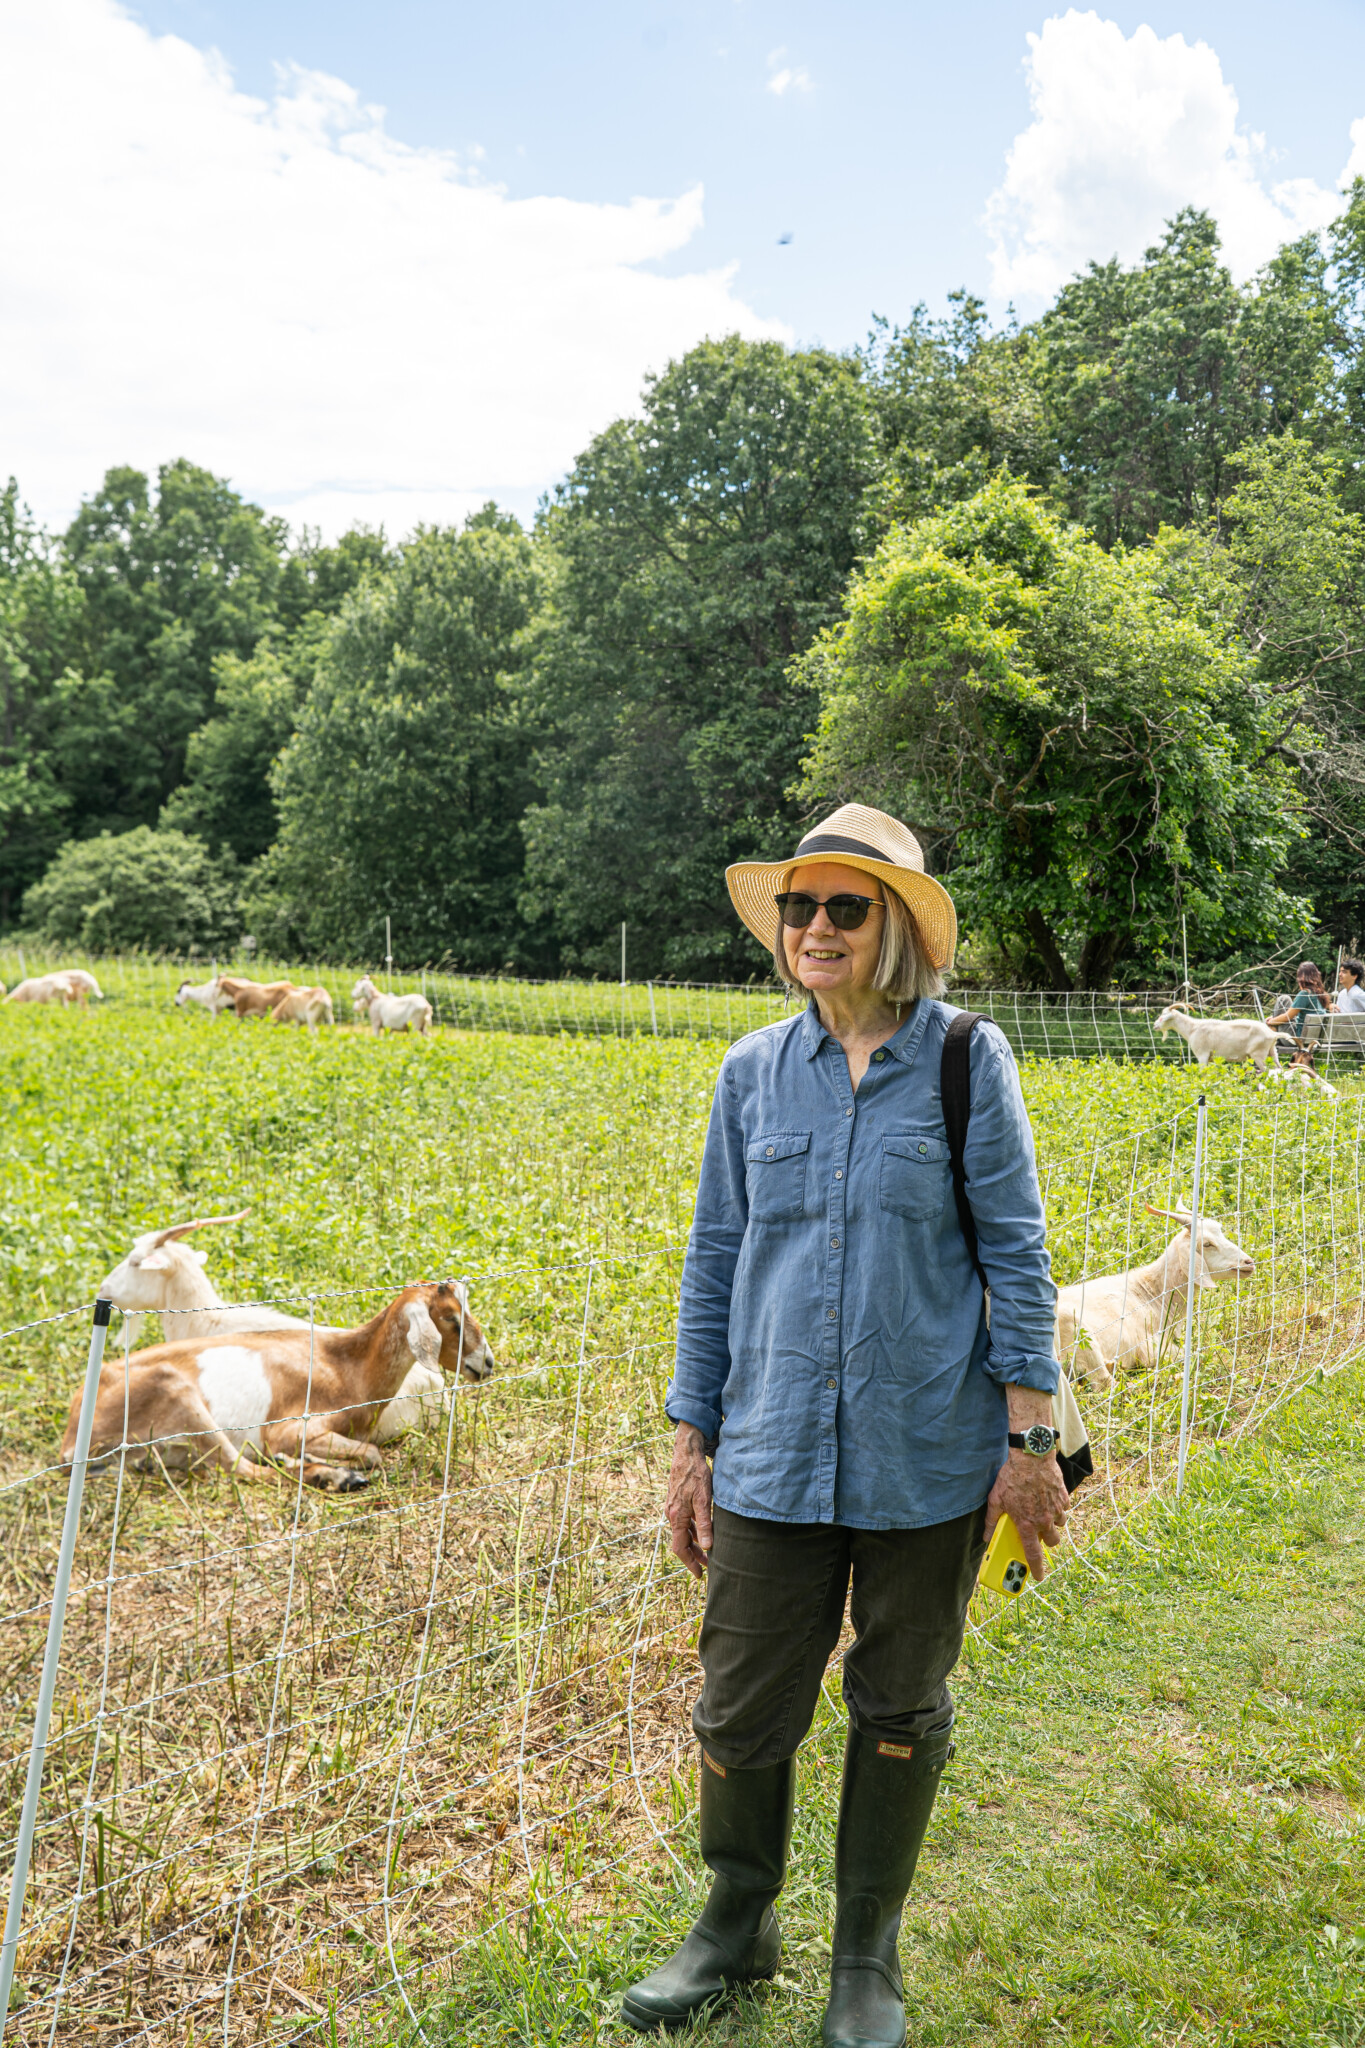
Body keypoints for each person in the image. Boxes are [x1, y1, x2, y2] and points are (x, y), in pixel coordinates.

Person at [622, 804, 1064, 2047]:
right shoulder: (753, 1070)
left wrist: (1031, 1445)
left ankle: (865, 1952)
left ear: (898, 929)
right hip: (766, 1445)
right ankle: (734, 1921)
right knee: (741, 1695)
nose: (813, 926)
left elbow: (1019, 1255)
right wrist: (691, 1435)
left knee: (902, 1696)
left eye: (844, 907)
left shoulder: (971, 1061)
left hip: (929, 1442)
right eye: (797, 906)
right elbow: (716, 1256)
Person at [1266, 962, 1329, 1068]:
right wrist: (1274, 1019)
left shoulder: (1305, 994)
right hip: (1313, 1039)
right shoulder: (1321, 995)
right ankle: (1270, 1032)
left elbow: (1287, 1017)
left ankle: (1268, 1037)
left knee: (1284, 999)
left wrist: (1270, 1022)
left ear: (1301, 978)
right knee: (1278, 1015)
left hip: (1296, 1040)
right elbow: (1292, 1016)